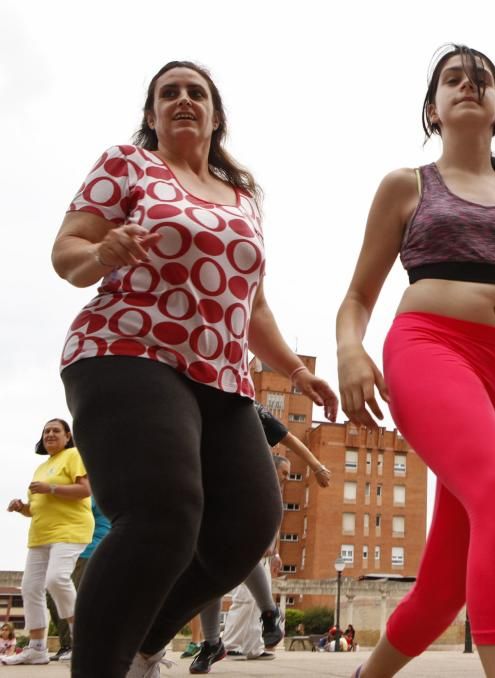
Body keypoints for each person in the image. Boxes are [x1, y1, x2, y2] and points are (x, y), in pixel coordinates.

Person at [51, 60, 337, 678]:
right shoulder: (128, 164)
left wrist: (295, 371)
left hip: (222, 376)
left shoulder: (242, 199)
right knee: (165, 514)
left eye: (196, 92)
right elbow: (67, 253)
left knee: (247, 527)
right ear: (152, 115)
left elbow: (252, 304)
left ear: (215, 116)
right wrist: (101, 251)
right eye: (168, 93)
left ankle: (145, 645)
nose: (183, 99)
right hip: (127, 350)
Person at [335, 44, 495, 678]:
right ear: (433, 108)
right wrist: (350, 350)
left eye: (481, 81)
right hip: (428, 349)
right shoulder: (406, 185)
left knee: (445, 585)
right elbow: (358, 297)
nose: (467, 87)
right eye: (453, 79)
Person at [189, 453, 294, 672]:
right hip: (209, 508)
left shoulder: (259, 477)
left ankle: (267, 614)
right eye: (284, 473)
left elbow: (274, 513)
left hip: (240, 526)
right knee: (208, 574)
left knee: (233, 558)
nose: (286, 478)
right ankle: (213, 643)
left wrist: (316, 465)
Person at [3, 419, 94, 667]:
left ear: (67, 436)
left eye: (56, 430)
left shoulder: (74, 455)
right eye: (46, 431)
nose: (50, 434)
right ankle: (36, 649)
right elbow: (35, 508)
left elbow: (85, 490)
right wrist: (21, 507)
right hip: (41, 534)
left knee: (56, 579)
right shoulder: (41, 468)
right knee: (30, 587)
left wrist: (50, 488)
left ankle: (84, 641)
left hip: (70, 529)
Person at [47, 500, 111, 662]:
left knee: (69, 597)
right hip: (72, 551)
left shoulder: (91, 493)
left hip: (90, 550)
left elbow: (74, 511)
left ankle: (73, 646)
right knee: (53, 596)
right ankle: (70, 644)